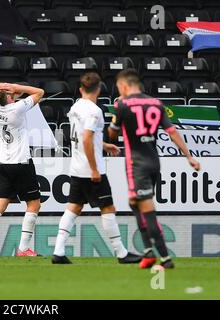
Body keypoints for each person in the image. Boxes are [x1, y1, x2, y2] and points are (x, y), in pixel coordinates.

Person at [108, 69, 200, 269]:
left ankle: (165, 259)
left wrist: (116, 120)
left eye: (118, 87)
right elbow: (172, 132)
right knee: (134, 202)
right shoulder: (156, 103)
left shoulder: (122, 105)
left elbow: (112, 136)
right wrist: (189, 156)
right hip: (153, 162)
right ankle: (148, 251)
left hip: (136, 165)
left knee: (147, 210)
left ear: (124, 86)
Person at [52, 72, 141, 264]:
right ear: (99, 89)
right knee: (108, 208)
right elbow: (86, 139)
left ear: (80, 89)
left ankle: (58, 252)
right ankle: (121, 253)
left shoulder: (75, 107)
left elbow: (85, 137)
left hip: (76, 167)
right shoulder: (94, 111)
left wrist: (104, 145)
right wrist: (93, 169)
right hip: (90, 169)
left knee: (73, 207)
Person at [0, 83, 45, 257]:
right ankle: (23, 249)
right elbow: (39, 91)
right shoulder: (16, 110)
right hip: (21, 161)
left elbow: (16, 97)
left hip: (3, 160)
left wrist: (12, 90)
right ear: (8, 97)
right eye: (10, 94)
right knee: (33, 204)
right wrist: (15, 86)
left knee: (0, 203)